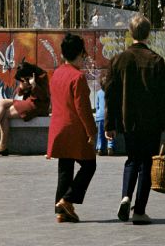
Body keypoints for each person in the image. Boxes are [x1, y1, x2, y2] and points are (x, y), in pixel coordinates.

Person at [104, 13, 165, 226]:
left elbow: (110, 94)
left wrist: (110, 124)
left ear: (130, 33)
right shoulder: (156, 60)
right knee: (146, 163)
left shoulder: (118, 60)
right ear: (148, 34)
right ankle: (140, 210)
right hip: (151, 122)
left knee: (132, 159)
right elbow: (164, 97)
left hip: (128, 121)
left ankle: (125, 196)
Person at [47, 33, 98, 223]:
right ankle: (67, 200)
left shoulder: (57, 73)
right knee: (89, 165)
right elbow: (83, 108)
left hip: (58, 129)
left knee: (65, 169)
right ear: (81, 53)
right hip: (74, 130)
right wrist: (91, 131)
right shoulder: (78, 77)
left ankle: (61, 212)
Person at [0, 59, 50, 156]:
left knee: (4, 114)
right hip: (29, 102)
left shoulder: (42, 76)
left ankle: (1, 145)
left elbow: (44, 96)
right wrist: (23, 87)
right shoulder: (25, 78)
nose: (24, 79)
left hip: (38, 106)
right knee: (1, 103)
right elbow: (19, 92)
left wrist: (34, 85)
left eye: (24, 78)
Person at [95, 74, 115, 156]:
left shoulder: (98, 93)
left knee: (100, 133)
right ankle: (110, 147)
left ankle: (100, 147)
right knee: (110, 132)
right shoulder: (112, 92)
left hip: (100, 116)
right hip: (110, 116)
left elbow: (97, 106)